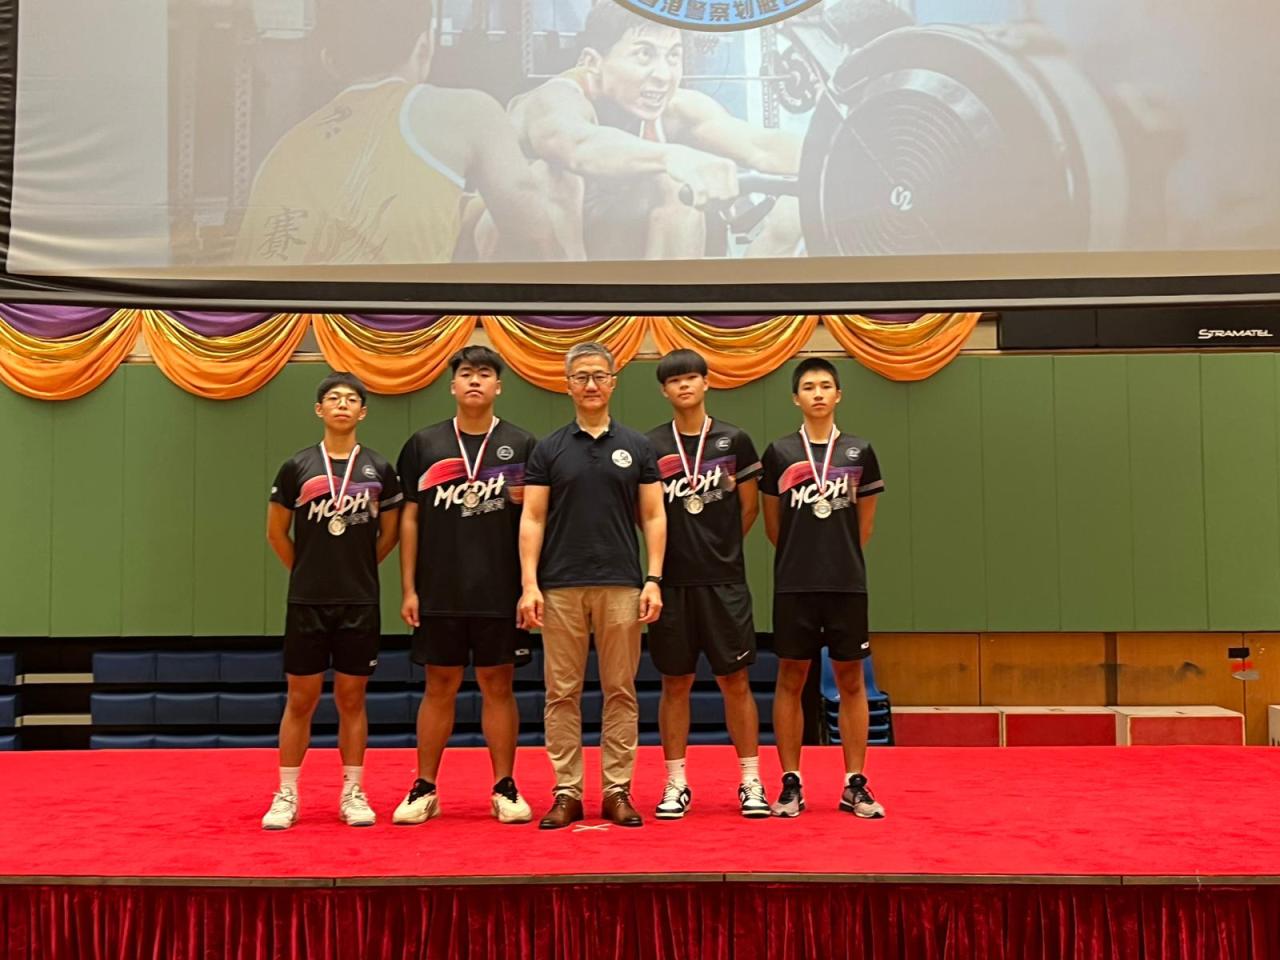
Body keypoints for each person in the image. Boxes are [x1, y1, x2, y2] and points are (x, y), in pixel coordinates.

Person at [234, 0, 560, 266]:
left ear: (330, 62)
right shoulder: (468, 111)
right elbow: (535, 238)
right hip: (397, 323)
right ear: (424, 47)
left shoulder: (283, 151)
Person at [474, 2, 802, 261]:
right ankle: (567, 310)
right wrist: (676, 156)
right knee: (554, 175)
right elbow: (579, 145)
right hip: (514, 259)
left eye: (673, 56)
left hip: (612, 251)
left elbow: (763, 148)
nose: (663, 75)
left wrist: (829, 160)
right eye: (644, 54)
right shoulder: (553, 99)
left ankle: (672, 311)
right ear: (592, 61)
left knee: (676, 188)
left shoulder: (677, 109)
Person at [518, 342, 666, 829]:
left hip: (622, 585)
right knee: (561, 693)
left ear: (614, 382)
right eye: (581, 377)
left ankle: (617, 789)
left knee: (620, 690)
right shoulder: (548, 449)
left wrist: (653, 578)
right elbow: (532, 517)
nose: (591, 384)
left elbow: (653, 515)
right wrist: (529, 584)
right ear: (567, 385)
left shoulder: (638, 447)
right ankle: (567, 792)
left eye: (599, 375)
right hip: (559, 586)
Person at [392, 346, 537, 825]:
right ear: (452, 385)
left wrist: (528, 586)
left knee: (499, 685)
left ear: (499, 386)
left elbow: (535, 521)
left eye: (485, 373)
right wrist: (409, 588)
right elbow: (409, 520)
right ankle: (424, 787)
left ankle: (505, 787)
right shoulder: (424, 443)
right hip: (440, 590)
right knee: (439, 685)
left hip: (500, 591)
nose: (475, 380)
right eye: (467, 374)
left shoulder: (522, 444)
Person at [262, 372, 403, 830]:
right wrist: (307, 572)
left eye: (351, 399)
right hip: (307, 602)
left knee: (352, 699)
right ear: (319, 410)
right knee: (300, 699)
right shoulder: (297, 467)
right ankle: (286, 793)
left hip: (359, 602)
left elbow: (389, 535)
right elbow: (276, 533)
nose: (342, 404)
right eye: (333, 398)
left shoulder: (379, 469)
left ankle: (353, 791)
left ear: (362, 412)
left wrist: (356, 569)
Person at [759, 358, 886, 820]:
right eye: (809, 386)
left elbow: (863, 526)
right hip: (794, 584)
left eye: (826, 386)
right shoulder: (779, 452)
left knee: (851, 680)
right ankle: (791, 782)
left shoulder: (859, 451)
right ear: (796, 398)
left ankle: (855, 783)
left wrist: (837, 559)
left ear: (838, 395)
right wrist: (805, 558)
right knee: (791, 678)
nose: (817, 393)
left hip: (846, 584)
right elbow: (774, 527)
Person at [644, 349, 769, 819]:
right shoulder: (651, 445)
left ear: (705, 382)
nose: (684, 385)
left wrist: (720, 550)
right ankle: (675, 782)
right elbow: (646, 513)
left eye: (691, 377)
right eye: (674, 380)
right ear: (664, 391)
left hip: (724, 582)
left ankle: (751, 780)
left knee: (735, 681)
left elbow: (750, 508)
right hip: (672, 582)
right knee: (674, 683)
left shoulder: (735, 440)